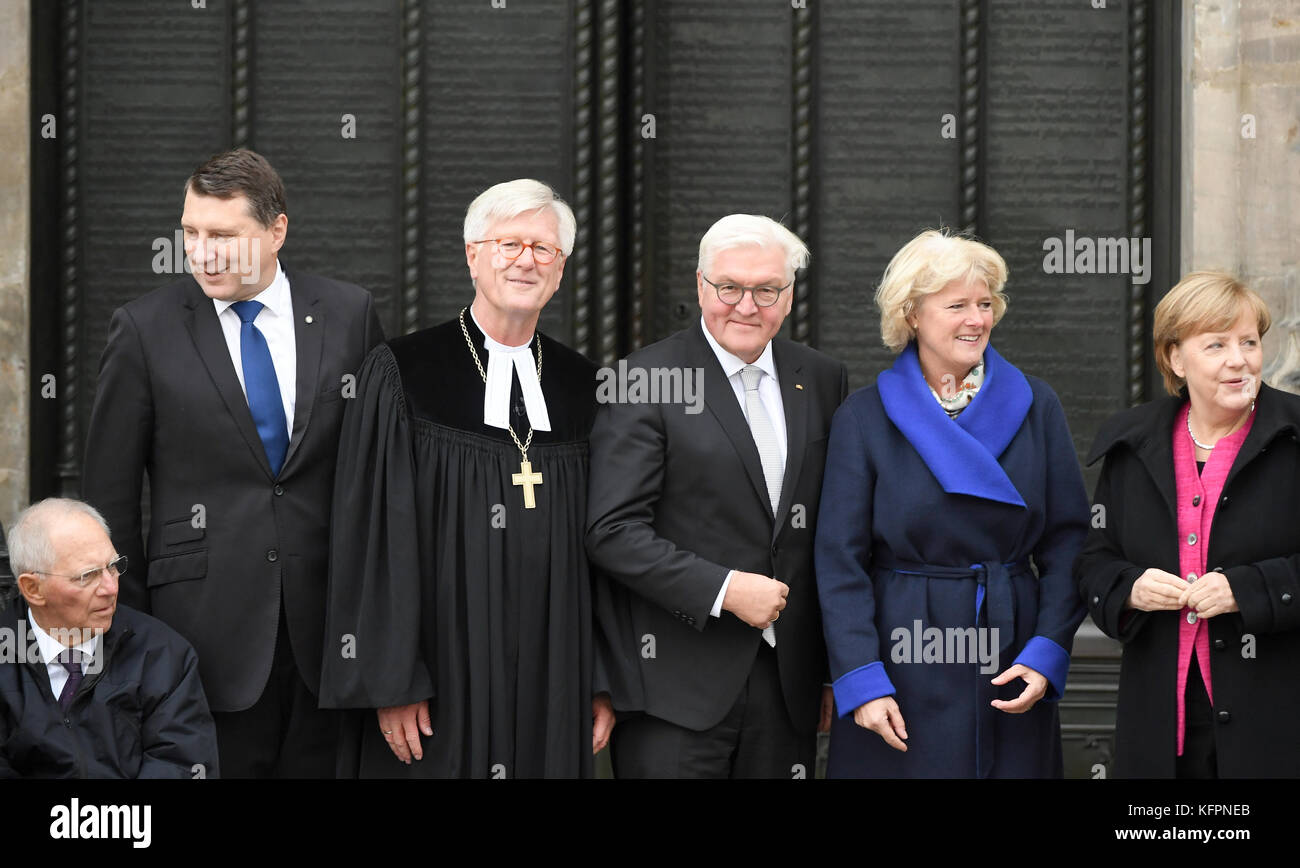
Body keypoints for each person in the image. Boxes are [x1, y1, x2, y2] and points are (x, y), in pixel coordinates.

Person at [81, 149, 384, 777]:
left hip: (329, 641)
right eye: (190, 232)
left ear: (277, 231)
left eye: (223, 235)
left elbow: (383, 477)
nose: (202, 252)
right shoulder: (143, 329)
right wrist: (133, 640)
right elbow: (107, 502)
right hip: (198, 640)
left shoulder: (349, 316)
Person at [320, 179, 614, 778]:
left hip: (552, 666)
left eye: (543, 249)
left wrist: (600, 678)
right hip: (437, 667)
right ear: (472, 254)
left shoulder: (586, 386)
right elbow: (371, 532)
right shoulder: (402, 371)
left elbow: (609, 541)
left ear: (561, 270)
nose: (526, 261)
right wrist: (391, 675)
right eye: (509, 244)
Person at [815, 229, 1089, 778]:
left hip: (1010, 651)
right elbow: (839, 560)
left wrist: (1046, 651)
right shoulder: (865, 417)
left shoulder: (1037, 404)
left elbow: (1069, 540)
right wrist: (863, 680)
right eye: (957, 305)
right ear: (912, 314)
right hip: (901, 654)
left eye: (985, 304)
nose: (976, 319)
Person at [586, 214, 847, 778]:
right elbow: (611, 531)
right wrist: (725, 589)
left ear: (789, 293)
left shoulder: (822, 378)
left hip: (788, 690)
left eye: (766, 289)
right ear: (701, 285)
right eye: (729, 287)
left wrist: (830, 669)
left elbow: (830, 529)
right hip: (674, 691)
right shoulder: (643, 380)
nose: (746, 306)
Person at [1076, 271, 1300, 778]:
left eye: (1249, 342)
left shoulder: (1294, 437)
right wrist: (1130, 586)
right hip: (1162, 721)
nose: (1239, 359)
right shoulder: (1131, 446)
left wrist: (1248, 589)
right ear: (1175, 357)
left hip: (1275, 718)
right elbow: (1094, 561)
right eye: (1217, 344)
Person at [0, 498, 218, 778]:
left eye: (113, 566)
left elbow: (181, 764)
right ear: (33, 589)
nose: (111, 587)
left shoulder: (163, 654)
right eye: (87, 575)